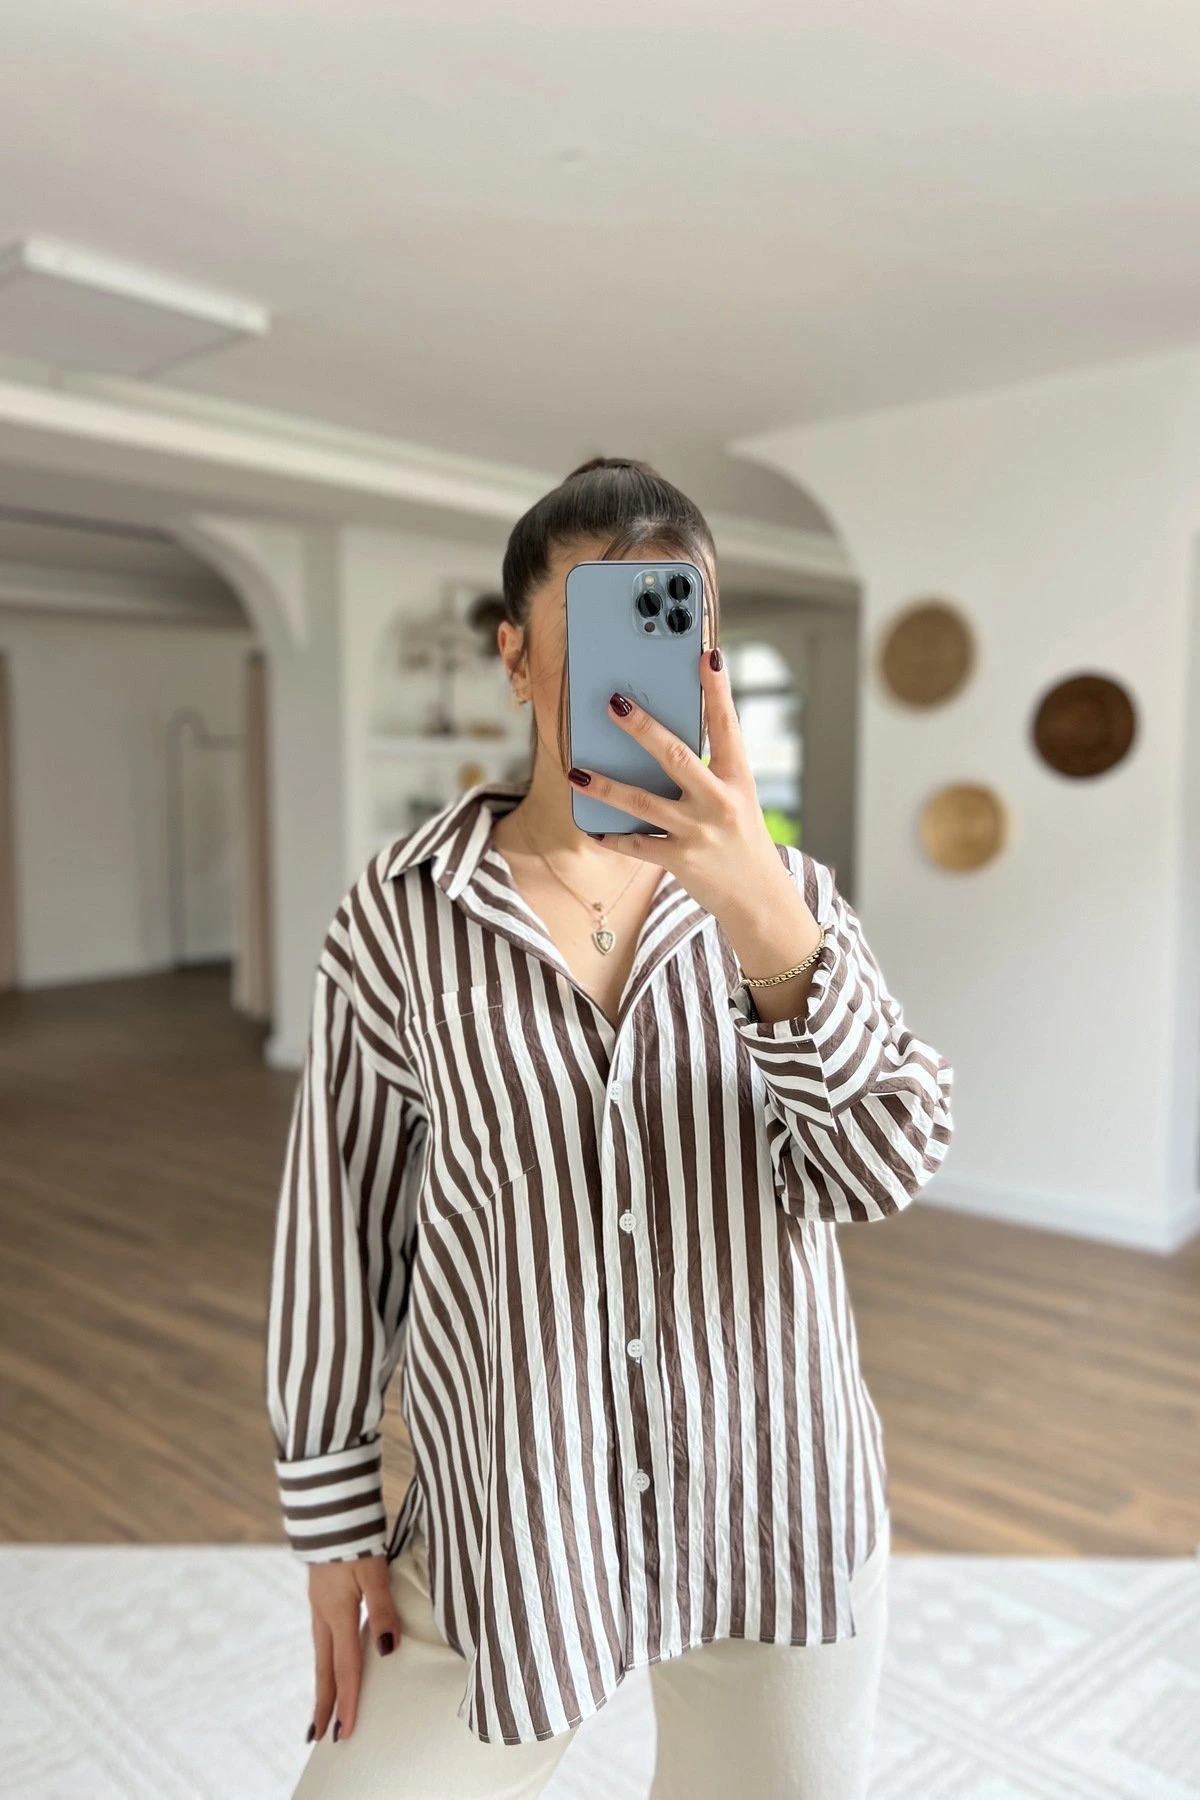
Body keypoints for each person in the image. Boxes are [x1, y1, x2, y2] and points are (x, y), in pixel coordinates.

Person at [265, 456, 954, 1799]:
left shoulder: (789, 899)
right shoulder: (399, 919)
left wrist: (765, 926)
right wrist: (333, 1523)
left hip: (775, 1507)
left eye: (675, 634)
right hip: (513, 1522)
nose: (639, 684)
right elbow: (343, 1234)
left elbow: (877, 1170)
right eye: (597, 634)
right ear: (517, 655)